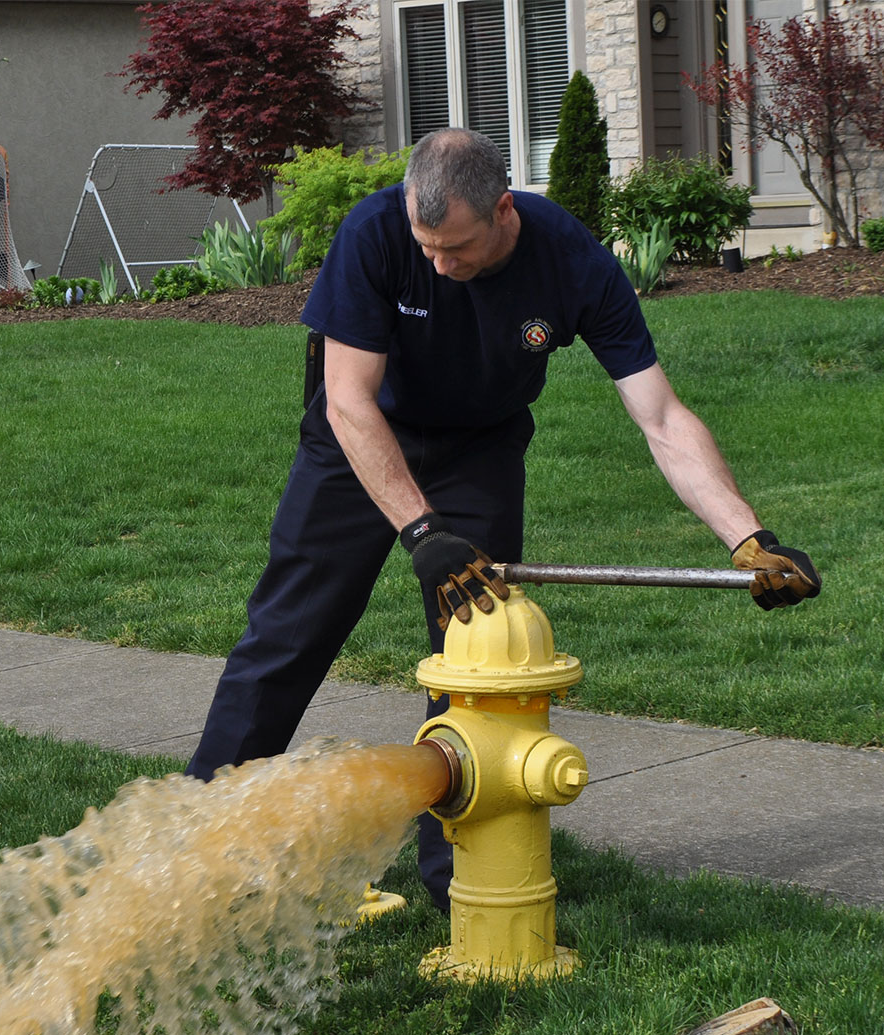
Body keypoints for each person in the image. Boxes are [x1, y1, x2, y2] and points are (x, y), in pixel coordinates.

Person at [185, 128, 819, 910]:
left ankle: (462, 880)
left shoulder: (570, 259)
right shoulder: (376, 233)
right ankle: (200, 847)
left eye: (457, 248)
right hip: (358, 441)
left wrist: (746, 536)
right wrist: (421, 531)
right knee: (288, 632)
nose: (440, 265)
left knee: (476, 657)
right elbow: (348, 399)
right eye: (428, 249)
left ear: (503, 211)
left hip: (479, 447)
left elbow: (658, 415)